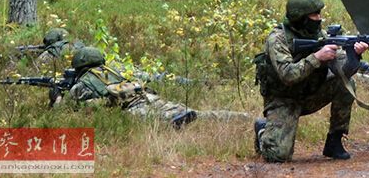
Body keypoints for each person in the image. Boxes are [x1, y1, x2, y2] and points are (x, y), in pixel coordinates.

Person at [254, 0, 369, 162]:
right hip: (283, 100)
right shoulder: (278, 39)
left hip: (310, 95)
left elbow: (340, 72)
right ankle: (263, 130)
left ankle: (335, 141)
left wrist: (354, 56)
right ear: (301, 17)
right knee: (277, 156)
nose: (319, 18)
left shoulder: (319, 36)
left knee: (347, 84)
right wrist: (317, 57)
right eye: (315, 14)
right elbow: (288, 75)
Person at [60, 47, 248, 128]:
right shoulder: (113, 70)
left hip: (132, 109)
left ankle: (175, 121)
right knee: (196, 114)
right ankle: (242, 117)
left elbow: (69, 108)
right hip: (148, 97)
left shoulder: (83, 82)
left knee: (164, 120)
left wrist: (57, 97)